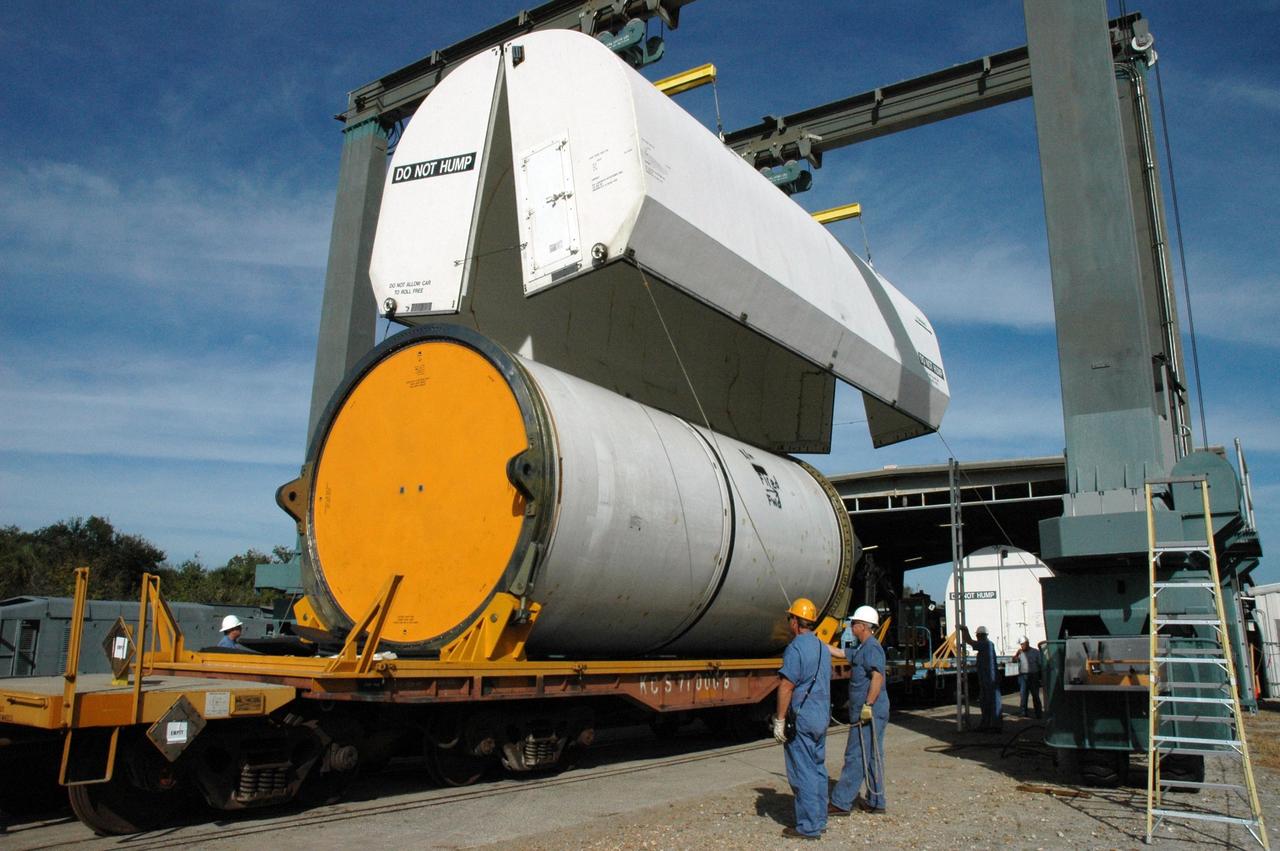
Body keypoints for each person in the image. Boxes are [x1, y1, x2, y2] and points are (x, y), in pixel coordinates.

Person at [772, 597, 831, 839]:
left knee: (803, 771)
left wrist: (780, 720)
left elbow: (786, 687)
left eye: (790, 618)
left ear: (796, 622)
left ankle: (808, 827)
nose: (789, 622)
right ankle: (820, 818)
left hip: (803, 718)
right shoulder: (821, 647)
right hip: (821, 716)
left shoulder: (795, 649)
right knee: (818, 768)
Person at [830, 605, 888, 816]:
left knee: (856, 754)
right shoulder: (863, 648)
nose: (851, 625)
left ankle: (841, 802)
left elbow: (877, 677)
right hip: (872, 711)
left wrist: (868, 705)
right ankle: (876, 801)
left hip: (869, 712)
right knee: (872, 755)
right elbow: (840, 652)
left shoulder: (872, 648)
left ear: (863, 626)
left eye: (853, 623)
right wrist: (818, 642)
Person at [960, 624, 1002, 731]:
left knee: (988, 702)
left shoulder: (985, 644)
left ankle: (991, 725)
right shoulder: (988, 644)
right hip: (988, 678)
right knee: (988, 702)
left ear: (979, 635)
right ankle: (990, 724)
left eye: (978, 635)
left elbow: (969, 641)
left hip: (989, 679)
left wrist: (964, 630)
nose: (977, 637)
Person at [1012, 635, 1043, 718]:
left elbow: (1040, 664)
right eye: (1021, 645)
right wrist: (1017, 654)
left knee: (1035, 695)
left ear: (1027, 643)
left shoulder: (1035, 652)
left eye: (1023, 644)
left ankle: (1038, 713)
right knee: (1023, 695)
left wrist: (1040, 676)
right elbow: (1013, 660)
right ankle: (1023, 712)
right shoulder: (1020, 653)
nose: (1021, 646)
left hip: (1033, 675)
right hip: (1023, 676)